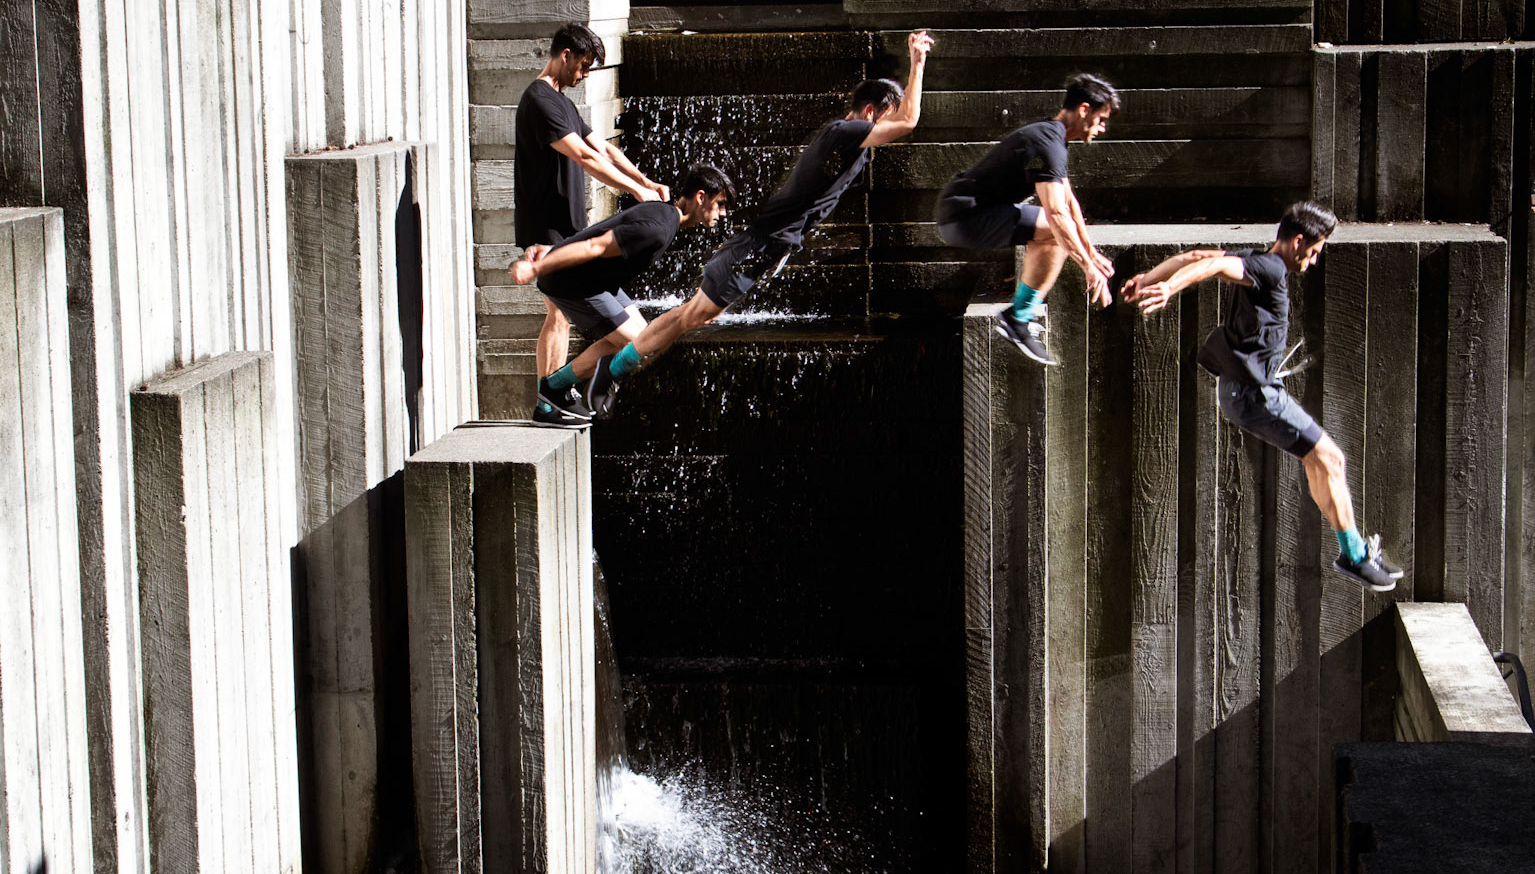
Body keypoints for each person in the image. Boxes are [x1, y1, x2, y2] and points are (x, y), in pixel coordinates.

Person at [578, 30, 934, 417]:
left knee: (697, 315)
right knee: (692, 316)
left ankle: (609, 371)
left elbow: (899, 118)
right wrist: (917, 60)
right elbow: (908, 121)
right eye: (885, 117)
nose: (888, 128)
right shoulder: (845, 133)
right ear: (869, 114)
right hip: (760, 246)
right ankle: (610, 371)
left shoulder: (850, 143)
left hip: (765, 246)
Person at [1120, 201, 1402, 592]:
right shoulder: (1270, 269)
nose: (1314, 261)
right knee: (1332, 458)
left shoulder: (1255, 260)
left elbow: (1197, 256)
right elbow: (1210, 266)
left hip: (1242, 392)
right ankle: (1354, 556)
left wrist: (1149, 277)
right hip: (1254, 395)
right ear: (1299, 240)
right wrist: (1167, 287)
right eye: (1315, 251)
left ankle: (1353, 550)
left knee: (1318, 459)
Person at [516, 164, 735, 426]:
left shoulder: (663, 213)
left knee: (645, 339)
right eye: (720, 204)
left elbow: (603, 230)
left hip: (596, 280)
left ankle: (554, 393)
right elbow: (594, 246)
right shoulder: (657, 228)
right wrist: (538, 266)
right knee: (633, 343)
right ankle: (553, 390)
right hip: (573, 281)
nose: (723, 214)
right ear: (701, 197)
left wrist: (554, 249)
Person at [514, 24, 670, 379]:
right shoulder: (539, 101)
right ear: (565, 55)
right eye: (584, 65)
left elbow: (602, 148)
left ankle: (551, 395)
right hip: (545, 226)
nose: (585, 74)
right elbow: (584, 157)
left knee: (559, 314)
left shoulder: (562, 103)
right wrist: (633, 192)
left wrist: (644, 181)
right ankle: (548, 397)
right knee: (558, 313)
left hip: (567, 227)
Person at [934, 72, 1119, 365]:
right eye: (1102, 119)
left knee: (1056, 233)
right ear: (1084, 110)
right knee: (1054, 231)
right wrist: (1087, 267)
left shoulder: (1052, 139)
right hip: (965, 215)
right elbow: (1057, 214)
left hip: (964, 213)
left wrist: (1091, 253)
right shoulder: (1047, 142)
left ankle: (1018, 317)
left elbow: (1070, 205)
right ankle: (1017, 318)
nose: (1103, 128)